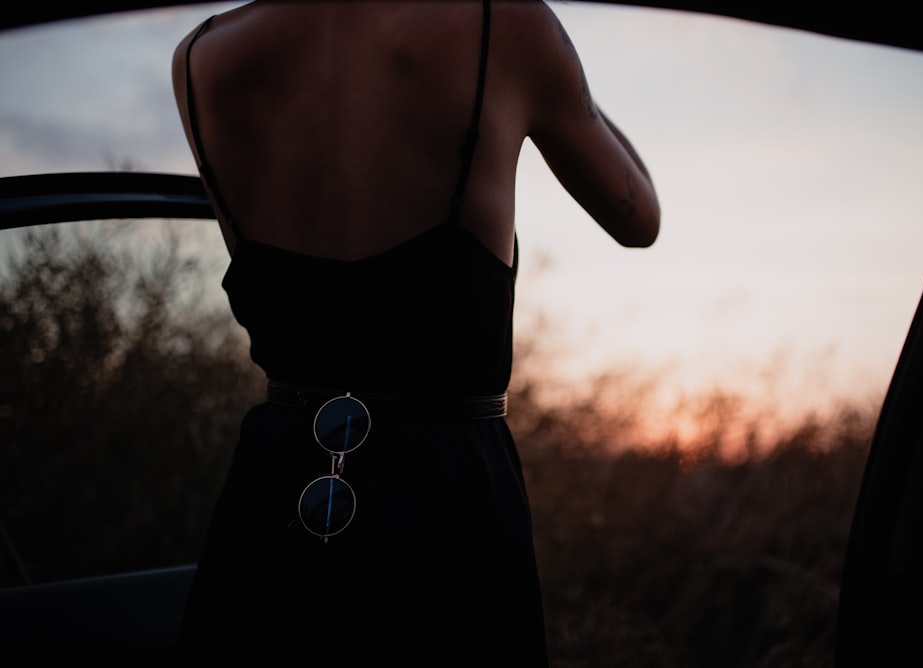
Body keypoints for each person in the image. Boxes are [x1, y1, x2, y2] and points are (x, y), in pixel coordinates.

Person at [170, 0, 658, 663]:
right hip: (449, 499)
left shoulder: (202, 54)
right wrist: (563, 87)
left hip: (274, 486)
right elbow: (640, 218)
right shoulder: (505, 23)